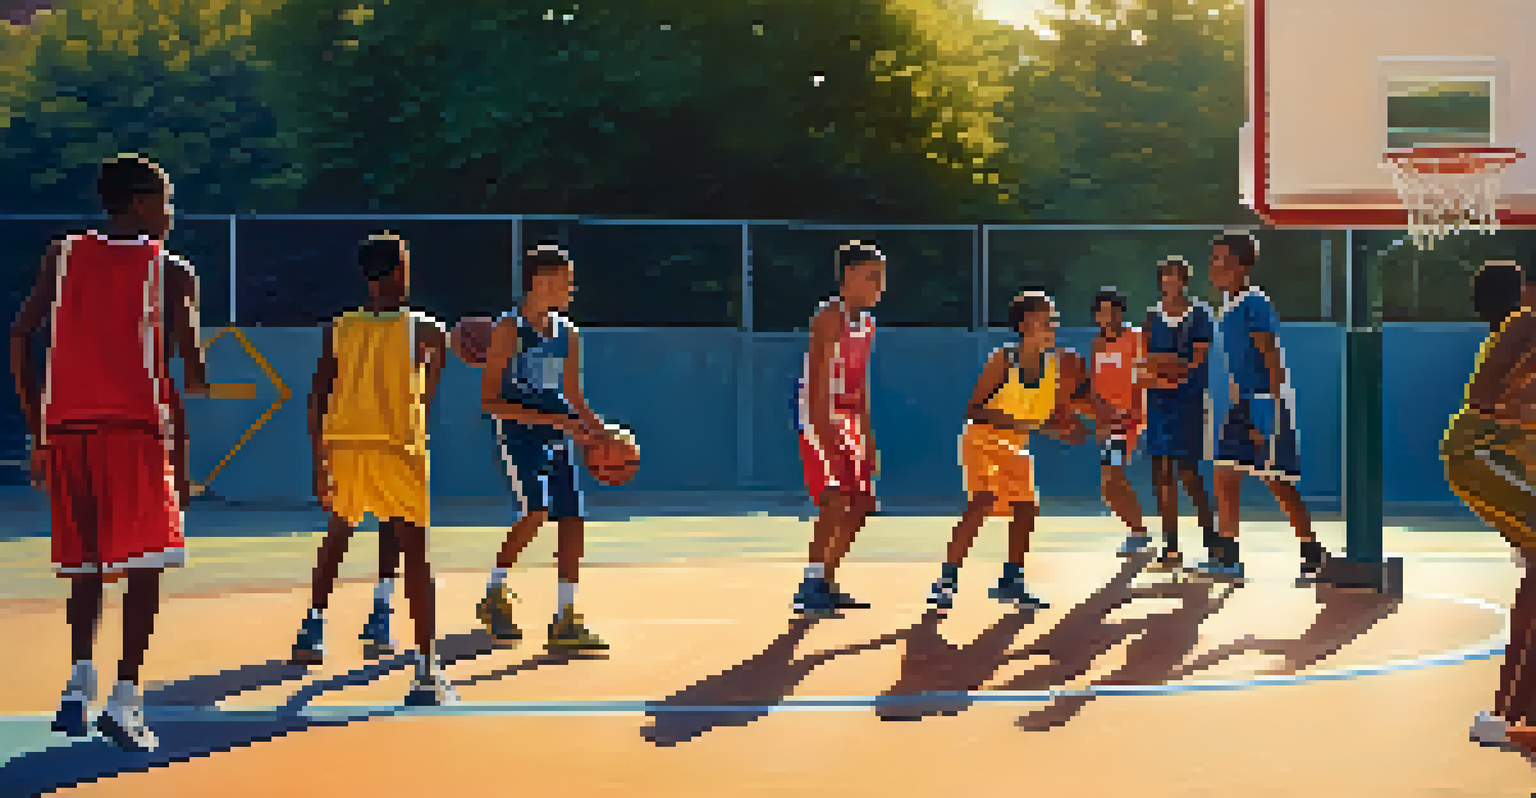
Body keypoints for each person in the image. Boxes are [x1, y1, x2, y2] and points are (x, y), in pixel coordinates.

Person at [8, 154, 207, 751]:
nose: (172, 213)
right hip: (134, 431)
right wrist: (193, 350)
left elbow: (20, 335)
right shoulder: (169, 269)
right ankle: (125, 700)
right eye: (167, 201)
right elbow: (193, 371)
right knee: (146, 565)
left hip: (67, 430)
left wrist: (38, 430)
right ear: (142, 204)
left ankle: (76, 685)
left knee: (86, 565)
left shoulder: (62, 254)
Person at [297, 232, 454, 707]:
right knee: (416, 555)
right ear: (401, 271)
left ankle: (313, 625)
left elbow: (317, 398)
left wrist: (318, 463)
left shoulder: (340, 328)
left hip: (345, 447)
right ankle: (426, 668)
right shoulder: (425, 330)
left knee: (337, 535)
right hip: (397, 447)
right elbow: (429, 392)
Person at [477, 244, 616, 653]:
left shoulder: (568, 333)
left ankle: (566, 616)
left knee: (572, 519)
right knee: (535, 512)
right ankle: (495, 592)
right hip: (519, 437)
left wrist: (601, 432)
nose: (571, 289)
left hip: (558, 436)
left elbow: (572, 395)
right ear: (540, 282)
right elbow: (490, 401)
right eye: (565, 282)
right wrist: (558, 422)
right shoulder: (509, 329)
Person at [928, 292, 1091, 612]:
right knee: (983, 500)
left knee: (1027, 507)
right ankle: (946, 580)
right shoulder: (1003, 359)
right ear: (1026, 323)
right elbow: (973, 410)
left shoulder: (1054, 366)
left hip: (1015, 444)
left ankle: (1011, 580)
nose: (1053, 324)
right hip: (981, 440)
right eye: (1047, 318)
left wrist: (1086, 424)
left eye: (1054, 319)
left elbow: (1059, 411)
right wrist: (1036, 426)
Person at [1198, 232, 1332, 583]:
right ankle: (1228, 557)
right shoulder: (1226, 307)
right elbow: (1237, 364)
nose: (1213, 266)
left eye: (1220, 259)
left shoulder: (1254, 304)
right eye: (1213, 259)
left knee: (1278, 481)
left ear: (1239, 265)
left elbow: (1273, 360)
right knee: (1224, 473)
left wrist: (1270, 412)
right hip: (1242, 403)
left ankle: (1313, 552)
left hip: (1264, 402)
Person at [1443, 260, 1536, 748]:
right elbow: (1483, 398)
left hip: (1498, 455)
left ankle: (1511, 713)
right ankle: (1513, 715)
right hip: (1481, 455)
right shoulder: (1526, 324)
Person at [792, 241, 886, 616]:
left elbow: (860, 385)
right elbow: (817, 383)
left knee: (863, 503)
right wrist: (826, 433)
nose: (880, 285)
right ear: (849, 276)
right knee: (833, 497)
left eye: (882, 277)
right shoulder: (830, 317)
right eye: (872, 276)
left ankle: (826, 581)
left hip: (848, 418)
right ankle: (810, 585)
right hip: (819, 414)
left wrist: (867, 438)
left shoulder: (868, 324)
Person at [1141, 257, 1218, 573]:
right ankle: (1170, 547)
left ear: (1184, 281)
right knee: (1161, 473)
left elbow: (1195, 362)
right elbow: (1147, 361)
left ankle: (1213, 542)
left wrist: (1170, 366)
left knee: (1189, 472)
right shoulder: (1152, 316)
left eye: (1175, 277)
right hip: (1158, 402)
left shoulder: (1200, 314)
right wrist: (1167, 368)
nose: (1170, 282)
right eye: (1165, 277)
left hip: (1189, 402)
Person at [1087, 288, 1154, 558]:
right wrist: (1101, 419)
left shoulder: (1136, 338)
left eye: (1114, 311)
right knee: (1110, 484)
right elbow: (1095, 386)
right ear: (1096, 316)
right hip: (1111, 423)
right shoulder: (1097, 344)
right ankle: (1139, 532)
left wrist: (1133, 415)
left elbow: (1143, 378)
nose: (1109, 317)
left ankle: (1140, 533)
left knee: (1111, 479)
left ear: (1121, 313)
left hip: (1131, 422)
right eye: (1103, 312)